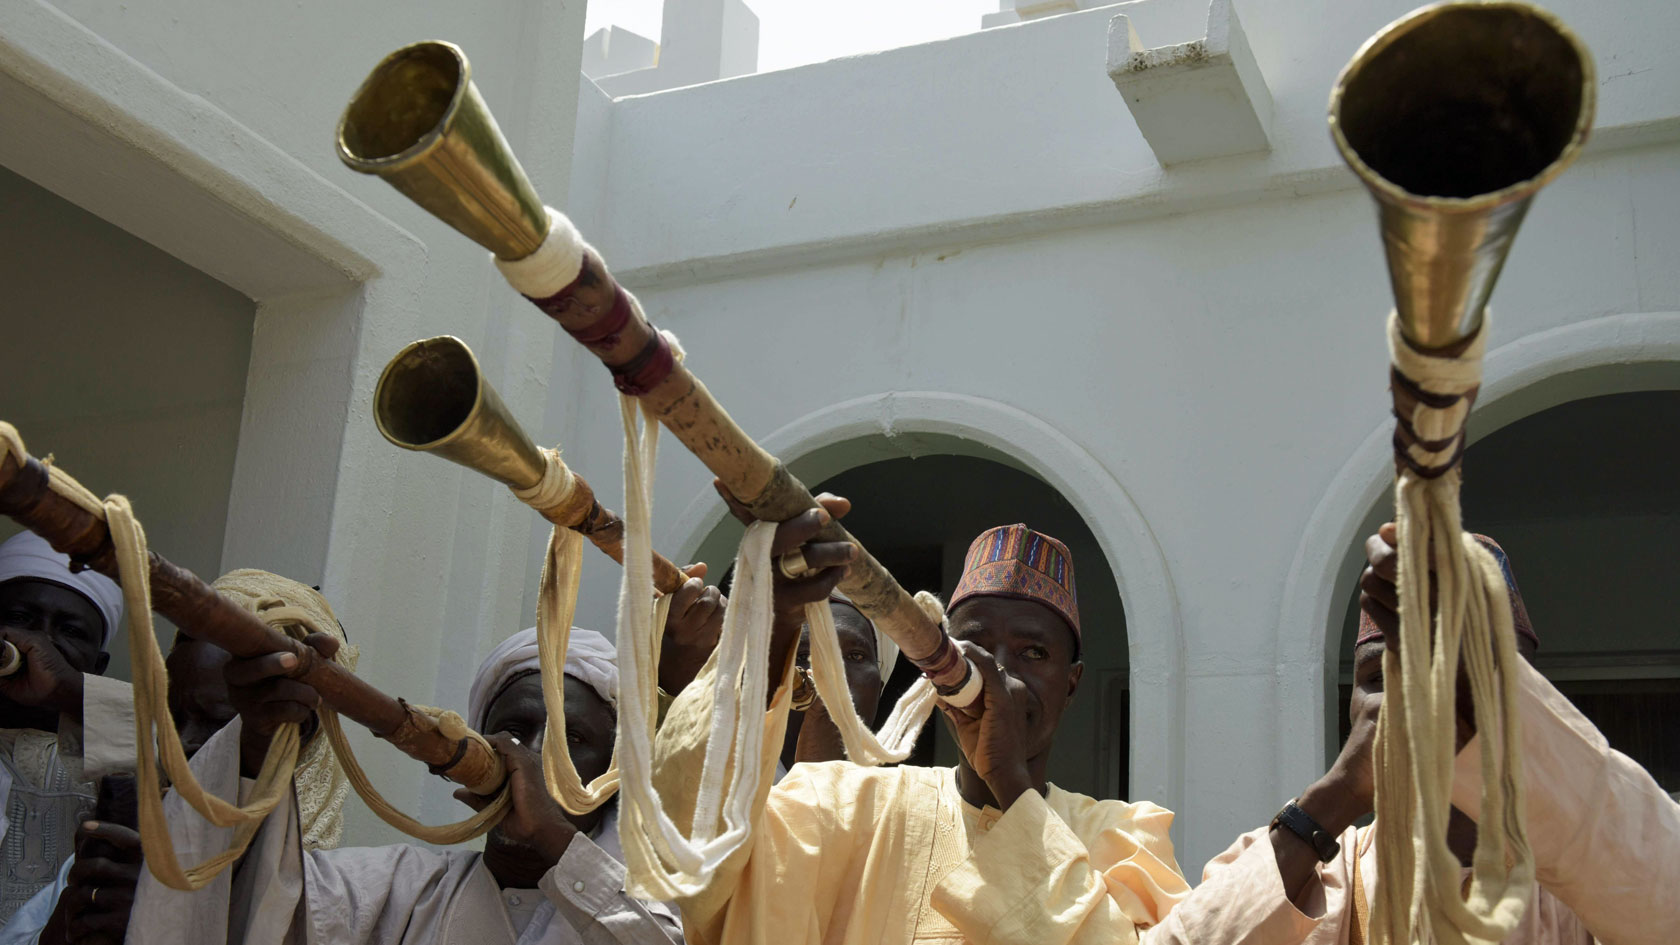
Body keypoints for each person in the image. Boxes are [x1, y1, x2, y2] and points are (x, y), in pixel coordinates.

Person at [653, 505, 1195, 945]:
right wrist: (774, 629)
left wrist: (1009, 782)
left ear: (1070, 683)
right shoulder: (842, 801)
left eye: (1033, 651)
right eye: (977, 645)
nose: (1000, 671)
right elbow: (703, 872)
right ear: (938, 671)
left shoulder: (1127, 837)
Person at [126, 576, 725, 945]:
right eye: (512, 730)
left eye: (572, 741)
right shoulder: (401, 892)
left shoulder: (668, 905)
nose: (529, 753)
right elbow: (253, 912)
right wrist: (259, 741)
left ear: (612, 779)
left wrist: (556, 844)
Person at [1166, 528, 1680, 945]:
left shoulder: (1582, 876)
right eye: (1379, 678)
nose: (1420, 697)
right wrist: (1336, 796)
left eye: (1471, 677)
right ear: (1349, 706)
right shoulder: (1304, 865)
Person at [3, 569, 359, 945]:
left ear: (301, 740)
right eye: (170, 722)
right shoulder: (121, 858)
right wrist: (71, 926)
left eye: (217, 726)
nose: (179, 746)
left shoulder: (340, 903)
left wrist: (170, 926)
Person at [0, 531, 128, 924]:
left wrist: (71, 692)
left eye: (70, 631)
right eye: (21, 619)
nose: (40, 642)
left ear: (99, 666)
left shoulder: (123, 751)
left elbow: (191, 759)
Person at [779, 590, 899, 769]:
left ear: (879, 687)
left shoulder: (903, 791)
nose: (832, 674)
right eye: (805, 656)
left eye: (855, 656)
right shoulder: (728, 783)